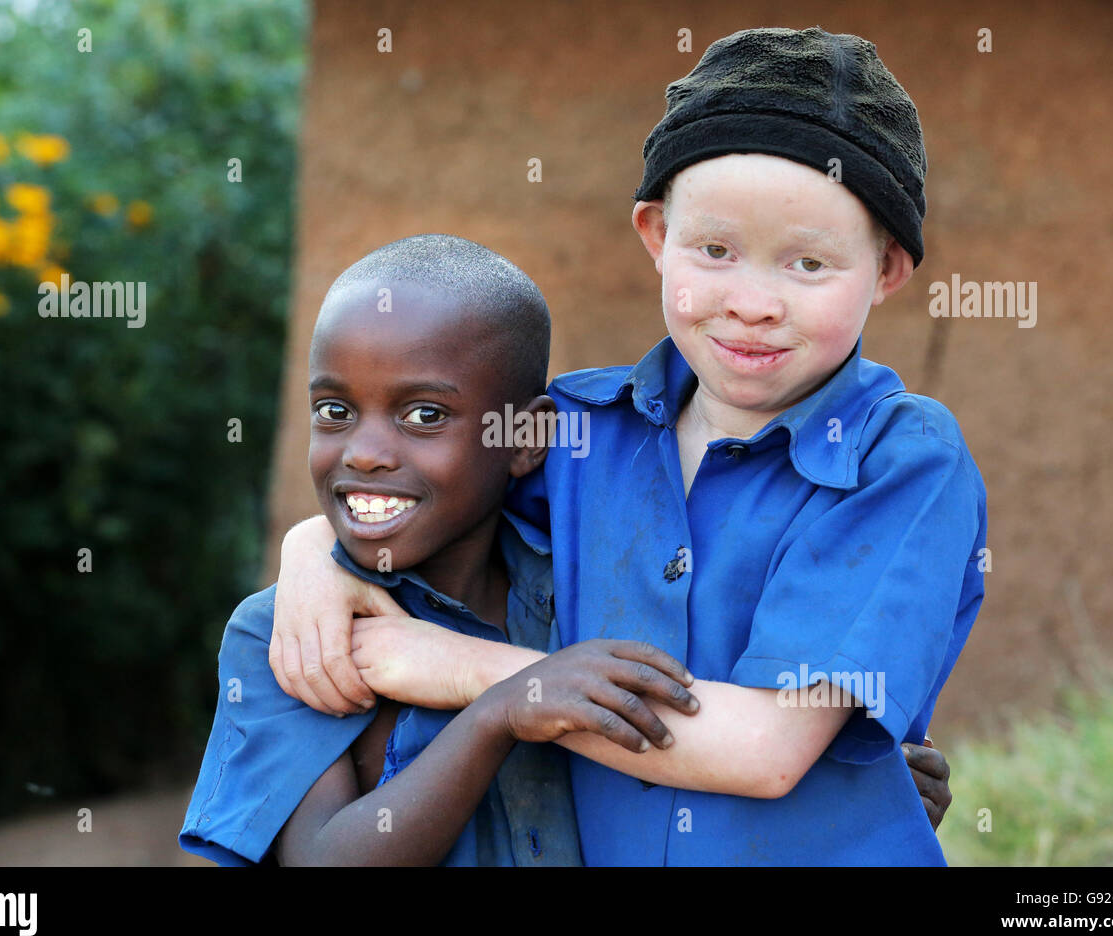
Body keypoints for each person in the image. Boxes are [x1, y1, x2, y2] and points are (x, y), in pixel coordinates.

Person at [269, 26, 978, 864]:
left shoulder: (902, 460)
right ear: (655, 234)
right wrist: (311, 553)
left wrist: (465, 669)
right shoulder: (576, 433)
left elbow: (768, 750)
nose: (753, 302)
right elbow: (429, 500)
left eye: (809, 265)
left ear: (888, 268)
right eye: (715, 250)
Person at [179, 234, 703, 866]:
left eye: (424, 416)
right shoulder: (294, 636)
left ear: (525, 438)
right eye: (334, 410)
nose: (364, 453)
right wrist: (495, 715)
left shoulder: (584, 582)